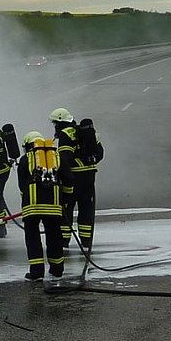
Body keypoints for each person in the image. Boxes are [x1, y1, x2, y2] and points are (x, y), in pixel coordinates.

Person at [49, 107, 104, 251]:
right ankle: (86, 241)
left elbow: (64, 158)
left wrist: (62, 177)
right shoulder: (86, 132)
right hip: (89, 176)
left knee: (66, 210)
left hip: (73, 178)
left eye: (55, 123)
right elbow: (100, 153)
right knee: (86, 209)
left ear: (60, 122)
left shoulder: (66, 134)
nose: (55, 127)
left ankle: (63, 241)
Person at [17, 131, 68, 281]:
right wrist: (64, 198)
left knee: (32, 238)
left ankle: (36, 272)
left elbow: (21, 185)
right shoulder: (57, 157)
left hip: (31, 207)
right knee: (54, 237)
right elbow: (69, 180)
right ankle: (57, 269)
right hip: (53, 206)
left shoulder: (25, 159)